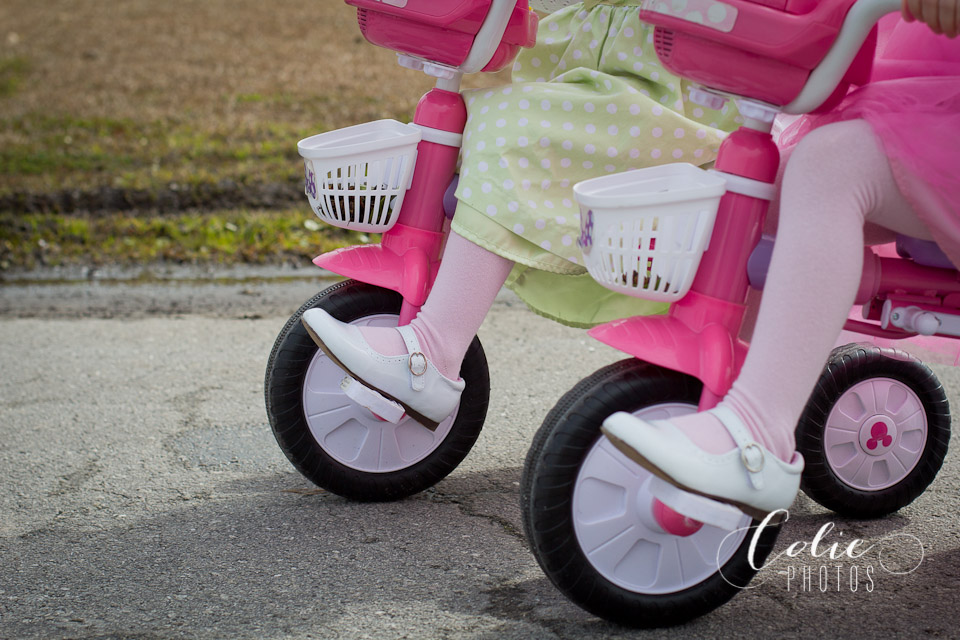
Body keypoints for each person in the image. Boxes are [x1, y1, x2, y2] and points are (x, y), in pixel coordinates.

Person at [302, 0, 740, 430]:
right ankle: (432, 319)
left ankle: (432, 352)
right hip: (588, 70)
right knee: (471, 122)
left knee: (507, 132)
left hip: (664, 87)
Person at [601, 0, 960, 523]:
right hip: (922, 84)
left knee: (831, 167)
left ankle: (757, 432)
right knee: (764, 188)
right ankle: (719, 398)